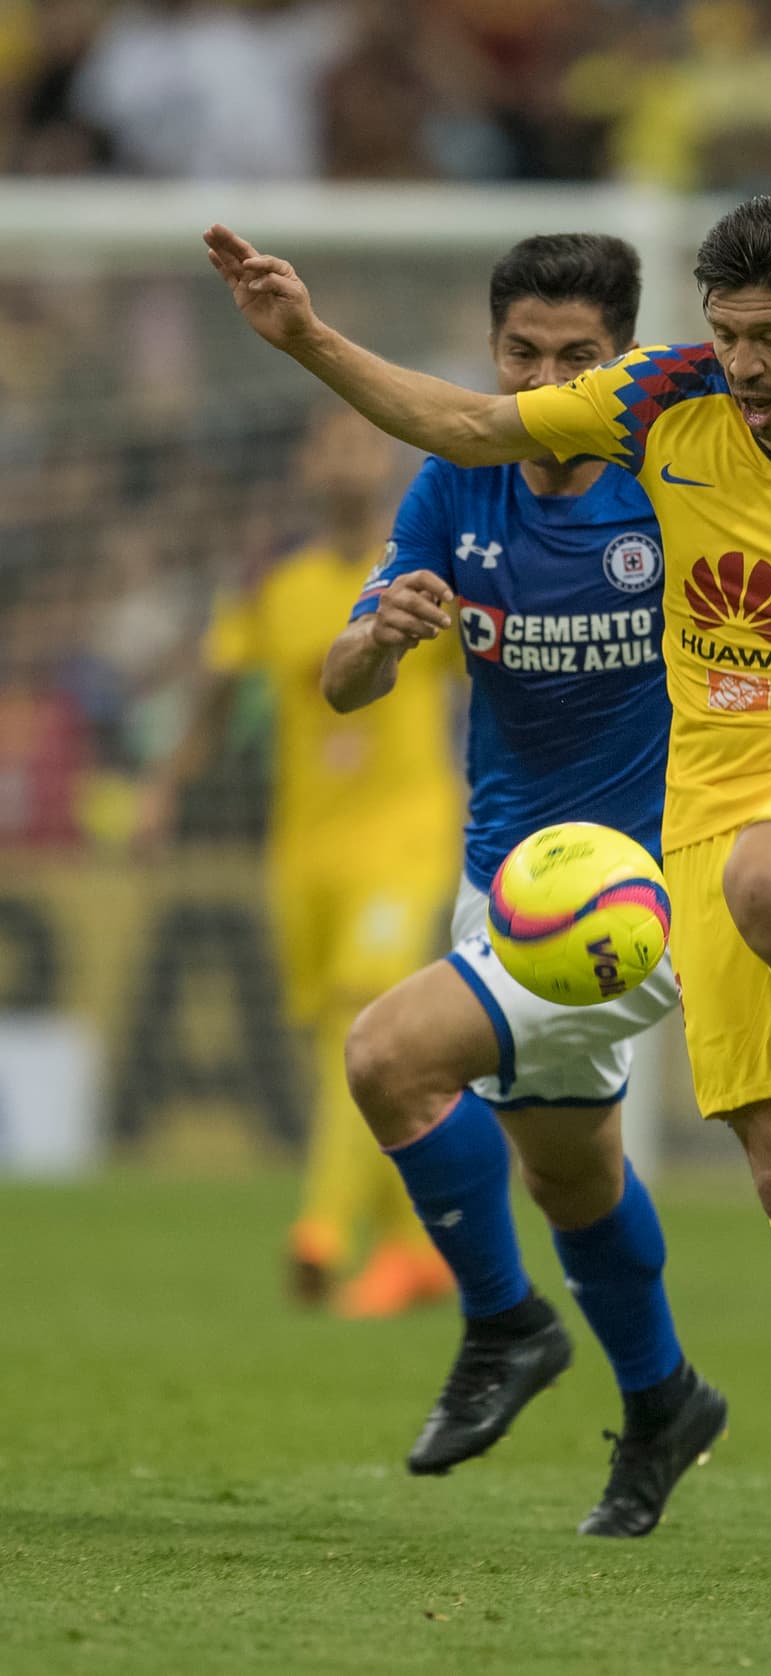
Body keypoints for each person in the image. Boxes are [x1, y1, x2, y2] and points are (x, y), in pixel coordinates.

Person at [204, 192, 771, 1583]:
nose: (742, 366)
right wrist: (310, 339)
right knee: (750, 1180)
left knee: (744, 895)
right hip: (620, 867)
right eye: (726, 333)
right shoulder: (651, 411)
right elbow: (460, 433)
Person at [321, 232, 726, 1539]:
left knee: (386, 1059)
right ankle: (665, 1400)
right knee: (572, 1178)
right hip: (503, 887)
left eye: (577, 358)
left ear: (624, 360)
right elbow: (337, 682)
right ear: (493, 354)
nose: (546, 379)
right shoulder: (456, 485)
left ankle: (505, 1327)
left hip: (632, 901)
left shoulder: (676, 479)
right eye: (522, 355)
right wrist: (377, 638)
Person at [136, 407, 461, 1317]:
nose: (347, 458)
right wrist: (165, 787)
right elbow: (216, 687)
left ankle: (320, 1228)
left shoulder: (424, 568)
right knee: (347, 1047)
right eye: (330, 441)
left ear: (387, 458)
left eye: (362, 442)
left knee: (365, 1013)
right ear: (307, 463)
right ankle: (413, 1252)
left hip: (407, 834)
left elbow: (493, 673)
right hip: (305, 846)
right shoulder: (272, 582)